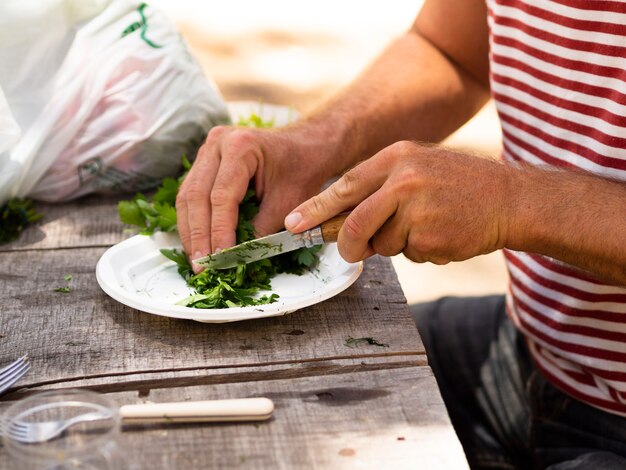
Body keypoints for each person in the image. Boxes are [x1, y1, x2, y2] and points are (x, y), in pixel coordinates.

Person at [176, 1, 626, 468]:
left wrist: (512, 202)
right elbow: (451, 53)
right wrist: (314, 143)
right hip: (535, 348)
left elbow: (509, 198)